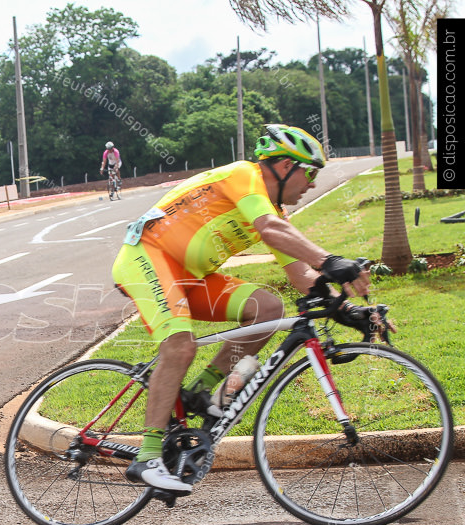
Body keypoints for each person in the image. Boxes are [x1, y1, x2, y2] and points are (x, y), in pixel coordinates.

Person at [111, 124, 375, 492]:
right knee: (181, 344)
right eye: (310, 173)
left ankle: (201, 393)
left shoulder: (274, 211)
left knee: (267, 308)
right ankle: (148, 457)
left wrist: (344, 310)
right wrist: (331, 259)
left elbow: (302, 275)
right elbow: (269, 230)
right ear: (285, 166)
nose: (312, 184)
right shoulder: (243, 175)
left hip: (189, 276)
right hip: (148, 256)